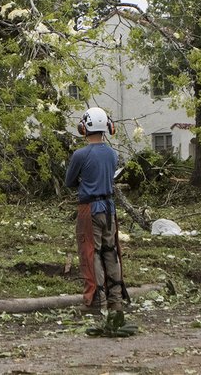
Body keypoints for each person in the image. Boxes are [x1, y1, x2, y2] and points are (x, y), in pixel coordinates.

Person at [65, 106, 128, 318]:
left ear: (85, 127)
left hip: (89, 209)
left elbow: (69, 181)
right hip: (109, 209)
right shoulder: (112, 154)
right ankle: (115, 302)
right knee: (111, 253)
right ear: (107, 127)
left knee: (91, 253)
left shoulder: (80, 155)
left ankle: (94, 302)